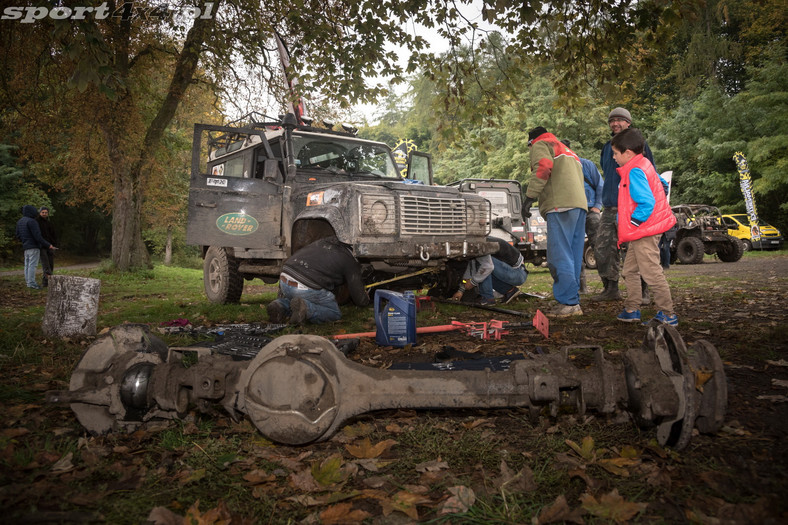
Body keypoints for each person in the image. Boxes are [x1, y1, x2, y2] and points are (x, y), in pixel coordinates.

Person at [610, 128, 678, 326]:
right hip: (643, 231)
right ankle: (632, 309)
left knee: (651, 272)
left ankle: (668, 313)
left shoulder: (634, 171)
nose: (614, 157)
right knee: (630, 270)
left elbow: (646, 202)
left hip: (644, 231)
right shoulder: (643, 164)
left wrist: (634, 222)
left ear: (628, 153)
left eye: (615, 153)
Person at [593, 108, 657, 303]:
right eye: (612, 121)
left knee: (636, 250)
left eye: (620, 120)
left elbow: (650, 172)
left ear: (628, 123)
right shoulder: (606, 147)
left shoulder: (639, 145)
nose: (615, 124)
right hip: (610, 206)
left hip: (630, 206)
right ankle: (611, 289)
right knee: (602, 249)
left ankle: (644, 291)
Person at [523, 127, 587, 317]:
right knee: (573, 257)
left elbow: (543, 166)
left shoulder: (540, 144)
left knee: (559, 255)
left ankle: (568, 302)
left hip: (560, 205)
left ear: (530, 142)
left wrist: (529, 198)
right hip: (579, 206)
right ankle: (573, 302)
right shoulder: (569, 152)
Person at [266, 236, 369, 324]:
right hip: (304, 287)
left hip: (285, 279)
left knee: (297, 298)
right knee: (334, 312)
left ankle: (280, 305)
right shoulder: (350, 260)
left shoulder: (325, 241)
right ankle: (306, 310)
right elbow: (360, 300)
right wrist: (365, 298)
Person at [561, 139, 602, 294]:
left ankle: (609, 286)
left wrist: (597, 207)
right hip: (571, 213)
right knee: (573, 250)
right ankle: (579, 287)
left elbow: (600, 185)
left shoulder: (586, 165)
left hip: (590, 211)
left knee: (599, 247)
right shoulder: (558, 169)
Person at [15, 205, 57, 289]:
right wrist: (48, 245)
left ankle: (28, 282)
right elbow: (38, 237)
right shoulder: (32, 221)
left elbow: (18, 235)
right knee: (32, 265)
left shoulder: (20, 221)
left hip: (26, 246)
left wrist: (25, 241)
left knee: (27, 265)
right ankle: (31, 283)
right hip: (34, 246)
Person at [36, 206, 58, 287]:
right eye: (43, 212)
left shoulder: (49, 223)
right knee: (46, 265)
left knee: (51, 264)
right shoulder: (36, 222)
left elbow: (53, 234)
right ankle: (45, 283)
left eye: (46, 212)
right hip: (42, 246)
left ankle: (49, 282)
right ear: (40, 213)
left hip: (50, 246)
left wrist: (54, 244)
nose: (44, 214)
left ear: (48, 213)